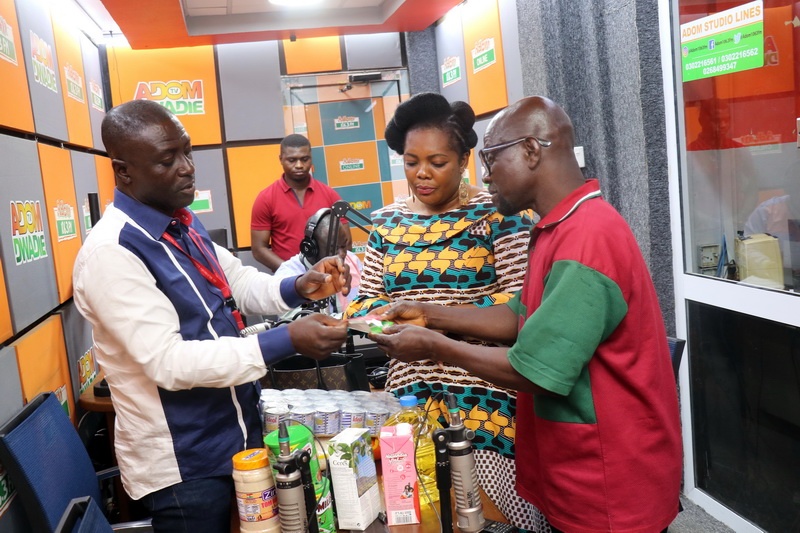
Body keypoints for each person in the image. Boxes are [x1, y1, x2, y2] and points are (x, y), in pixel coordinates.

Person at [370, 96, 682, 533]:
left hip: (607, 485)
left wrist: (433, 346)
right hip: (574, 469)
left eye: (492, 158)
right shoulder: (558, 226)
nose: (484, 174)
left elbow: (534, 370)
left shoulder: (587, 238)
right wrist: (428, 313)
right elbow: (518, 315)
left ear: (532, 151)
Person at [72, 100, 349, 533]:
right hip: (186, 468)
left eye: (187, 152)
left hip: (237, 437)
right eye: (168, 160)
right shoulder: (112, 252)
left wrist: (299, 285)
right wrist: (288, 340)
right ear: (124, 171)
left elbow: (237, 280)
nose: (187, 168)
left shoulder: (181, 222)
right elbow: (169, 362)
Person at [344, 93, 545, 531]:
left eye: (437, 161)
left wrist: (433, 316)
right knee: (416, 513)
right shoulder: (386, 222)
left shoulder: (498, 214)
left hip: (485, 388)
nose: (422, 174)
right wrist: (382, 319)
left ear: (465, 158)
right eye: (411, 161)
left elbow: (519, 302)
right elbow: (365, 303)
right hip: (408, 390)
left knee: (487, 513)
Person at [250, 134, 349, 271]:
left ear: (311, 159)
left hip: (327, 278)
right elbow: (259, 249)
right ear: (281, 159)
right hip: (288, 281)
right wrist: (293, 272)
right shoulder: (266, 198)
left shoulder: (330, 195)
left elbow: (345, 242)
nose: (299, 165)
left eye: (304, 159)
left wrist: (328, 269)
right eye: (292, 160)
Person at [274, 207, 363, 313]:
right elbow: (289, 321)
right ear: (311, 249)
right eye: (333, 249)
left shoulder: (352, 260)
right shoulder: (288, 276)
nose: (342, 254)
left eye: (344, 246)